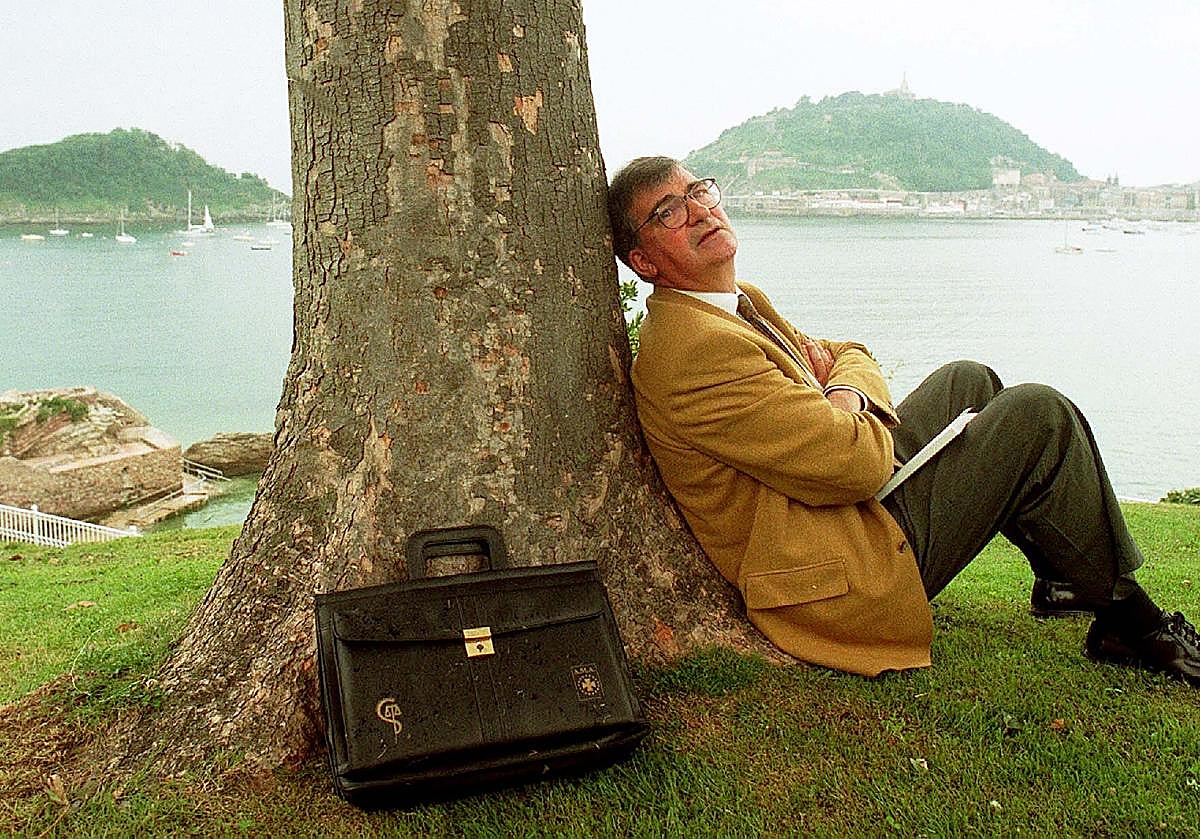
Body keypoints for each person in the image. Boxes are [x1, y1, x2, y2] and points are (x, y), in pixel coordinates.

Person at [609, 155, 1200, 683]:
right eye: (668, 213)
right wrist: (841, 398)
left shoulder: (740, 302)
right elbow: (856, 465)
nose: (698, 211)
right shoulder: (692, 350)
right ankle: (1130, 620)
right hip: (836, 563)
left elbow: (848, 352)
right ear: (643, 261)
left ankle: (1066, 577)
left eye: (698, 192)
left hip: (836, 503)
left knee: (969, 380)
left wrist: (841, 388)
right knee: (1037, 415)